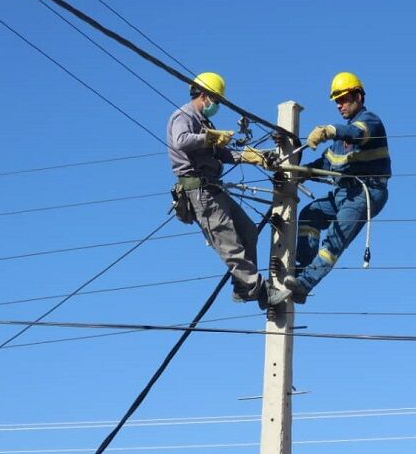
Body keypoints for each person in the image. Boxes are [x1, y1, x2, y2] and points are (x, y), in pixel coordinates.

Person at [167, 72, 290, 308]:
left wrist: (252, 156)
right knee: (231, 246)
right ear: (204, 95)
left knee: (248, 232)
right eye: (216, 100)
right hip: (199, 190)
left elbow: (223, 153)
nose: (217, 105)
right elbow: (181, 140)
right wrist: (209, 139)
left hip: (214, 187)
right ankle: (261, 290)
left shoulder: (204, 122)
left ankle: (242, 288)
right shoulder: (183, 116)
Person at [284, 72, 391, 302]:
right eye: (337, 101)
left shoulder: (370, 121)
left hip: (365, 191)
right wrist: (302, 173)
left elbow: (357, 133)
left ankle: (304, 284)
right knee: (310, 215)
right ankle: (300, 271)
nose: (339, 105)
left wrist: (329, 129)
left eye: (344, 99)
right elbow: (326, 162)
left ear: (358, 97)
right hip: (342, 192)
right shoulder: (339, 141)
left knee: (335, 237)